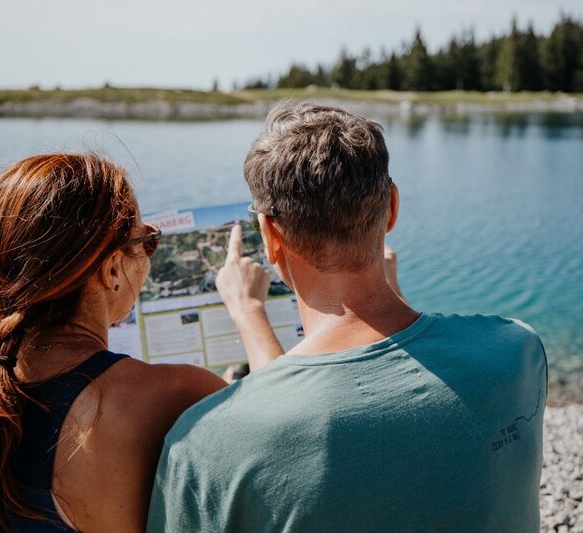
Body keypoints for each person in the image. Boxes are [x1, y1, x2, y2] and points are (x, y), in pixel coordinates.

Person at [147, 102, 549, 532]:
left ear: (269, 236)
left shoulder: (206, 443)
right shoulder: (518, 353)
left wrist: (247, 310)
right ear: (392, 208)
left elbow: (296, 419)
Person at [0, 154, 227, 532]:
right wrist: (250, 313)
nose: (149, 256)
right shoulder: (178, 395)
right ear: (112, 270)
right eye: (147, 241)